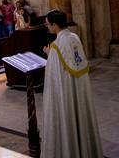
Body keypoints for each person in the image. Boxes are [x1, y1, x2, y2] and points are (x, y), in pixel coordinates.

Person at [41, 9, 102, 158]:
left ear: (55, 25)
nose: (47, 27)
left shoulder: (56, 46)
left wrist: (49, 55)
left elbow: (54, 77)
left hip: (66, 96)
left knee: (66, 115)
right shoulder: (74, 37)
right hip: (79, 91)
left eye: (48, 24)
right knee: (79, 113)